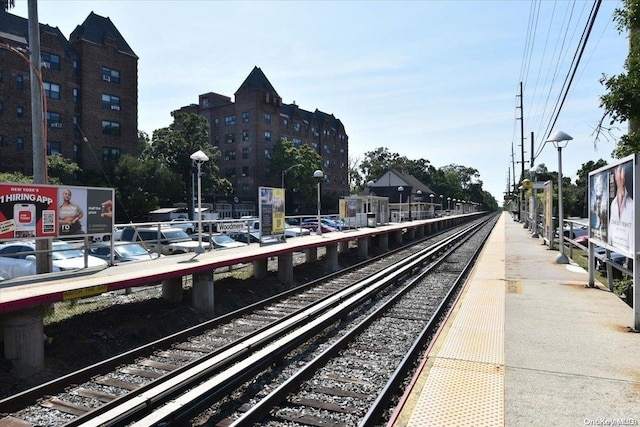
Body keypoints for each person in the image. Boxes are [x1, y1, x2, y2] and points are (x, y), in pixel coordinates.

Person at [608, 164, 633, 253]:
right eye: (620, 173)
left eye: (624, 174)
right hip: (617, 247)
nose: (622, 178)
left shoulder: (632, 205)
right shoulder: (613, 205)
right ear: (615, 175)